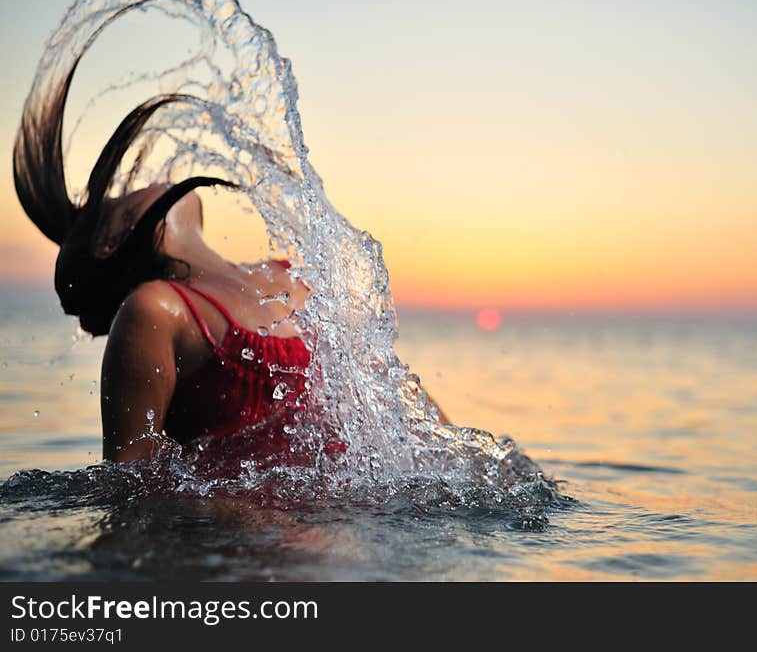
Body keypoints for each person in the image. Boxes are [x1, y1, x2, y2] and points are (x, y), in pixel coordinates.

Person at [13, 62, 450, 465]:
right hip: (250, 548)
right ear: (109, 240)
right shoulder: (157, 311)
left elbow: (403, 412)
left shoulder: (291, 276)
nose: (141, 187)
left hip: (362, 539)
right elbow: (127, 492)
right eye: (115, 201)